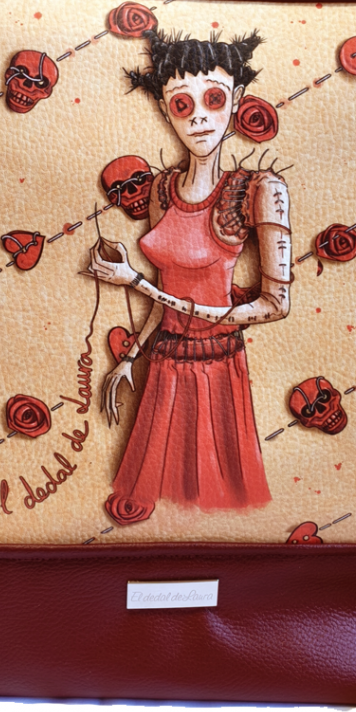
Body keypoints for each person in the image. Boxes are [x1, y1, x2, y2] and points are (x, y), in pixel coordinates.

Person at [87, 30, 292, 525]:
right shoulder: (161, 190)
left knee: (214, 498)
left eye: (214, 99)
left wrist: (134, 282)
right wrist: (129, 358)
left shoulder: (260, 189)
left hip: (216, 367)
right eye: (183, 105)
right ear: (165, 109)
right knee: (158, 495)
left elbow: (275, 305)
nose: (199, 117)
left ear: (236, 100)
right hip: (164, 365)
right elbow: (167, 290)